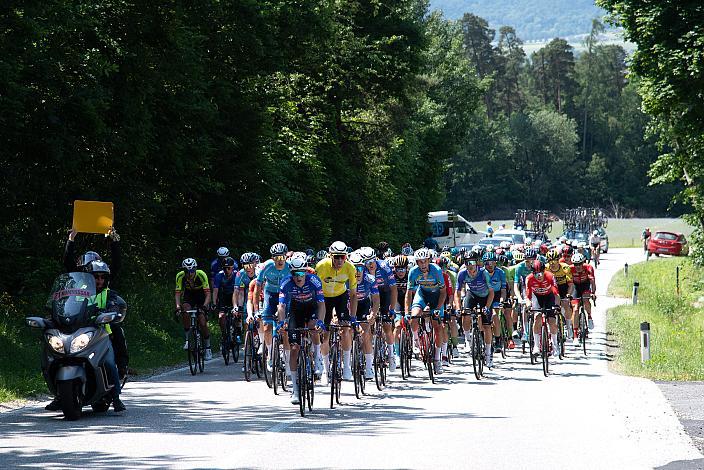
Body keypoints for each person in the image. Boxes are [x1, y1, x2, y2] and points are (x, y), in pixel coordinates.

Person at [45, 260, 127, 413]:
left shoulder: (110, 294)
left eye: (103, 277)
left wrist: (112, 311)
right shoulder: (78, 292)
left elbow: (116, 306)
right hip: (77, 331)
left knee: (109, 363)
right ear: (89, 277)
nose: (100, 281)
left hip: (101, 333)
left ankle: (116, 397)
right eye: (96, 277)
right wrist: (55, 314)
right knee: (57, 357)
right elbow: (67, 306)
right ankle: (59, 396)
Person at [62, 227, 128, 377]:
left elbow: (116, 265)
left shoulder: (106, 288)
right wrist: (71, 239)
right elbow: (68, 263)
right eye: (92, 274)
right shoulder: (76, 285)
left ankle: (122, 369)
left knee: (117, 332)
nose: (98, 279)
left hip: (102, 330)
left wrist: (113, 241)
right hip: (77, 328)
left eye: (100, 276)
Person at [277, 256, 325, 404]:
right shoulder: (286, 282)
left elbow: (322, 304)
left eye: (301, 274)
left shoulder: (314, 281)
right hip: (295, 310)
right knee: (294, 348)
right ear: (291, 274)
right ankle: (295, 389)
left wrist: (321, 321)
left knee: (313, 326)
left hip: (311, 307)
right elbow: (282, 306)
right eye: (295, 274)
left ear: (306, 272)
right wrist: (282, 322)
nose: (298, 277)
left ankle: (317, 358)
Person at [315, 241, 358, 382]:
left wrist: (352, 316)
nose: (340, 260)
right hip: (324, 298)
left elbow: (353, 295)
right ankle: (326, 370)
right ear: (331, 256)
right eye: (337, 257)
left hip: (341, 296)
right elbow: (315, 289)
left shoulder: (350, 268)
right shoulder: (321, 266)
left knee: (345, 329)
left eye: (343, 257)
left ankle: (346, 366)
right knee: (325, 334)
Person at [406, 248, 447, 373]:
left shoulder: (437, 270)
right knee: (414, 316)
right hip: (422, 295)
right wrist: (407, 311)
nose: (423, 264)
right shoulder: (413, 272)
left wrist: (438, 308)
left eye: (425, 261)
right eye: (420, 262)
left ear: (429, 260)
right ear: (416, 263)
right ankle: (416, 340)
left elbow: (443, 292)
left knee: (438, 327)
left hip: (436, 297)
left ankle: (437, 360)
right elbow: (409, 293)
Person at [252, 243, 291, 373]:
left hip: (285, 296)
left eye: (282, 258)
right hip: (270, 295)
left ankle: (287, 360)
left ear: (286, 257)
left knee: (285, 330)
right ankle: (269, 354)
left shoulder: (290, 267)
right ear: (272, 258)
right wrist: (256, 309)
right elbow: (257, 290)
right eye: (276, 258)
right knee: (267, 327)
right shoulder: (266, 267)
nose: (280, 261)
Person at [455, 251, 495, 367]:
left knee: (487, 326)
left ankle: (488, 354)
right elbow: (457, 293)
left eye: (472, 262)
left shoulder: (484, 273)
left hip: (485, 297)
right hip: (472, 294)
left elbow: (492, 292)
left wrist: (487, 307)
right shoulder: (462, 274)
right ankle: (468, 341)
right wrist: (458, 308)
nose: (470, 265)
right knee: (465, 313)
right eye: (467, 263)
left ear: (477, 262)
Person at [175, 258, 212, 359]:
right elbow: (177, 294)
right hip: (189, 295)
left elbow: (208, 294)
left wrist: (204, 306)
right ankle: (187, 340)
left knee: (202, 321)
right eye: (187, 271)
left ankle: (208, 347)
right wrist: (178, 307)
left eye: (191, 271)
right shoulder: (180, 276)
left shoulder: (201, 274)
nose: (189, 274)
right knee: (185, 311)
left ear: (195, 270)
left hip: (201, 296)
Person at [524, 260, 559, 357]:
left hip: (549, 296)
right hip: (537, 297)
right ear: (532, 272)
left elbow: (556, 293)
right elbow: (528, 295)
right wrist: (528, 305)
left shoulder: (550, 276)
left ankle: (555, 345)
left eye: (540, 273)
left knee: (552, 320)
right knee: (537, 317)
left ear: (544, 271)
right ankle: (536, 345)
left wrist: (557, 305)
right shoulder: (529, 279)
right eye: (535, 273)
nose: (538, 275)